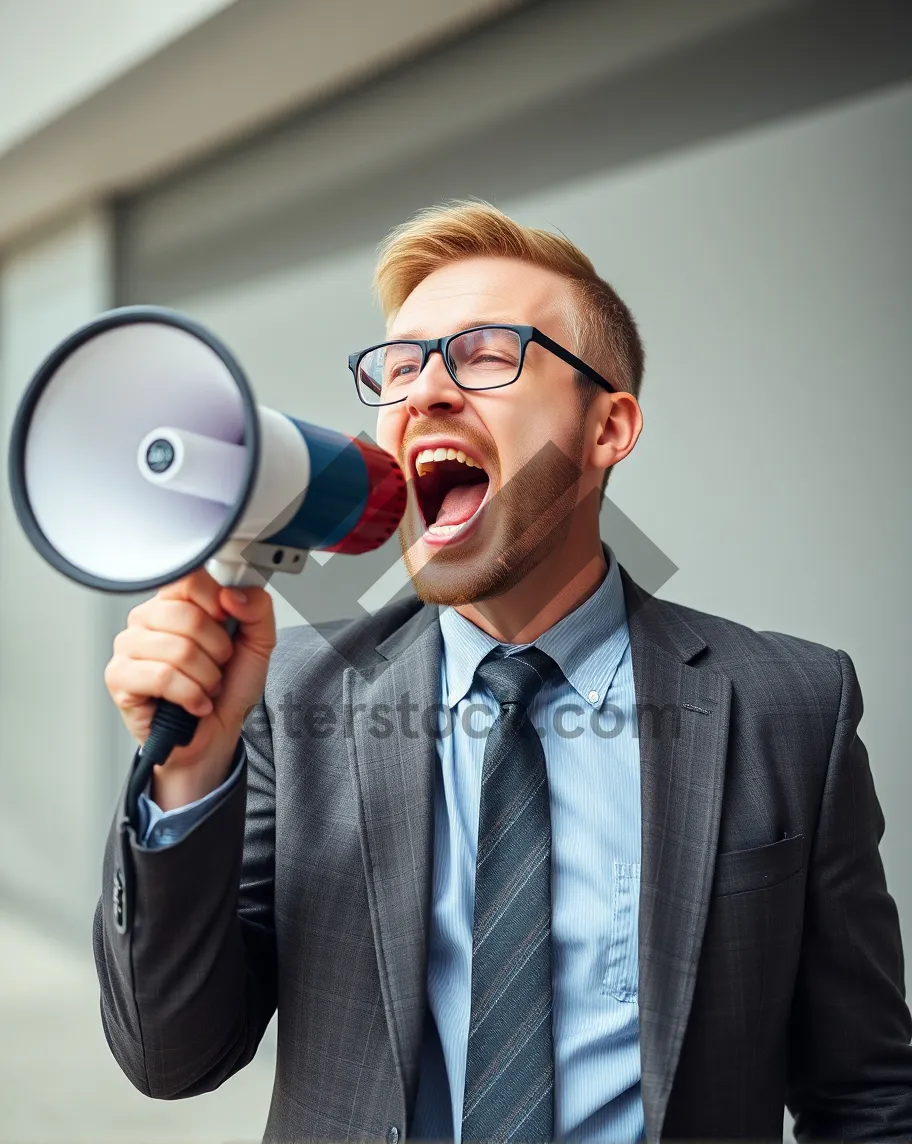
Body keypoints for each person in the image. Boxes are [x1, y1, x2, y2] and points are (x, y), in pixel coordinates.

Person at [95, 200, 912, 1143]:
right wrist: (188, 770)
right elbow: (172, 1057)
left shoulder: (792, 706)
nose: (426, 393)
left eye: (486, 355)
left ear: (608, 427)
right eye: (401, 368)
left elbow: (868, 1096)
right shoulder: (295, 695)